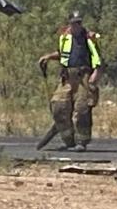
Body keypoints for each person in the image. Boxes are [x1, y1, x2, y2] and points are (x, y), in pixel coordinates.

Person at [37, 10, 102, 151]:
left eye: (79, 22)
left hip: (83, 77)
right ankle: (68, 140)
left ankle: (81, 142)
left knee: (82, 109)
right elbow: (62, 54)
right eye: (74, 23)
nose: (77, 25)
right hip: (67, 77)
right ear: (70, 23)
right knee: (58, 106)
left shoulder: (89, 38)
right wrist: (48, 57)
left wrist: (95, 75)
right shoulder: (64, 37)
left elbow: (99, 59)